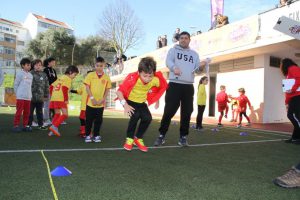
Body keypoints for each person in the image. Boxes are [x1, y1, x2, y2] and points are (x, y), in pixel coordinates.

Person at [154, 31, 206, 147]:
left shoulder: (194, 54)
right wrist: (174, 67)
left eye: (186, 38)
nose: (183, 40)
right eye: (181, 38)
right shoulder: (173, 50)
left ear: (189, 40)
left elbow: (197, 71)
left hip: (188, 86)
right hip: (174, 85)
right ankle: (161, 135)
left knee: (187, 113)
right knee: (169, 111)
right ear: (179, 40)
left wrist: (201, 67)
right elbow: (168, 62)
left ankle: (183, 137)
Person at [116, 57, 168, 152]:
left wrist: (157, 100)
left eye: (150, 76)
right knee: (135, 116)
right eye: (145, 76)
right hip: (131, 101)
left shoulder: (155, 79)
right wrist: (125, 105)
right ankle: (129, 138)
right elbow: (119, 92)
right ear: (139, 72)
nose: (147, 79)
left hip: (142, 102)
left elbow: (160, 88)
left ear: (154, 73)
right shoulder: (132, 79)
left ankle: (138, 138)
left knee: (148, 118)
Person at [84, 57, 111, 143]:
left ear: (104, 66)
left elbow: (107, 89)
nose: (99, 67)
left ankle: (96, 135)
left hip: (100, 104)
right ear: (95, 65)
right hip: (90, 103)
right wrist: (92, 98)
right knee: (89, 120)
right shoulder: (90, 75)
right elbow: (87, 87)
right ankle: (87, 135)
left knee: (98, 121)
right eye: (97, 65)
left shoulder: (106, 77)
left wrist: (103, 99)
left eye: (101, 66)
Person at [48, 65, 79, 136]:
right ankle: (54, 127)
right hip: (60, 98)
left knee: (57, 114)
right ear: (70, 72)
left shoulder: (61, 77)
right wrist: (66, 99)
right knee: (65, 114)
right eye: (74, 74)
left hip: (54, 98)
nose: (74, 76)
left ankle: (52, 131)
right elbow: (64, 89)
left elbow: (51, 87)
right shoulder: (68, 79)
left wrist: (52, 96)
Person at [280, 58, 300, 144]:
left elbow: (299, 79)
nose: (280, 66)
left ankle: (297, 137)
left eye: (280, 64)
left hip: (297, 96)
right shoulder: (288, 73)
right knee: (292, 116)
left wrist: (293, 89)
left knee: (294, 116)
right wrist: (287, 101)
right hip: (293, 97)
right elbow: (287, 90)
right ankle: (295, 137)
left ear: (284, 64)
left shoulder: (293, 68)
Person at [12, 58, 33, 132]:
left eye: (30, 65)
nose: (29, 66)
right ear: (22, 65)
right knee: (19, 111)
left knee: (27, 112)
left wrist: (30, 96)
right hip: (20, 97)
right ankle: (16, 125)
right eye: (27, 65)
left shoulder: (30, 75)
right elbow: (16, 84)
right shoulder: (19, 73)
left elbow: (30, 86)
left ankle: (25, 125)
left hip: (28, 97)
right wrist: (17, 94)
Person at [70, 71, 92, 138]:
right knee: (82, 118)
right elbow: (79, 91)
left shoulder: (94, 85)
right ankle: (83, 132)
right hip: (83, 106)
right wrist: (71, 90)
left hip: (90, 105)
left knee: (88, 119)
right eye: (87, 76)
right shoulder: (84, 85)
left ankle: (88, 133)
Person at [28, 59, 49, 130]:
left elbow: (46, 86)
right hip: (31, 97)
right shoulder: (30, 73)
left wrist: (46, 95)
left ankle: (41, 125)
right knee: (30, 112)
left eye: (40, 65)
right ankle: (29, 125)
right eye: (36, 65)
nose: (38, 66)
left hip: (40, 97)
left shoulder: (44, 74)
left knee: (40, 112)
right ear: (33, 66)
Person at [43, 57, 57, 126]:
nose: (54, 63)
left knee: (53, 104)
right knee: (47, 104)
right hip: (47, 89)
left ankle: (53, 118)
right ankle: (46, 119)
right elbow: (46, 80)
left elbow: (56, 80)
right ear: (49, 62)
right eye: (53, 62)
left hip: (54, 89)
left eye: (54, 62)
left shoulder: (53, 70)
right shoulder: (45, 70)